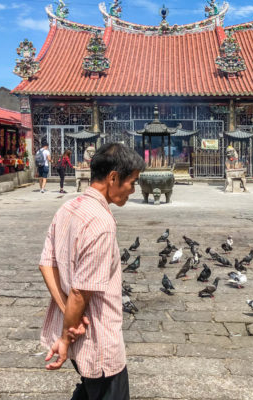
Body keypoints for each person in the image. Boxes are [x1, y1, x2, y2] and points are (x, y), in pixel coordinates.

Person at [38, 143, 145, 400]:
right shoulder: (101, 222)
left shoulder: (68, 207)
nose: (132, 190)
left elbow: (46, 264)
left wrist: (65, 314)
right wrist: (65, 337)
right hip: (99, 340)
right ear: (113, 178)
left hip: (78, 331)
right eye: (132, 183)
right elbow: (79, 292)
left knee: (88, 391)